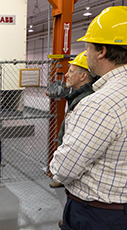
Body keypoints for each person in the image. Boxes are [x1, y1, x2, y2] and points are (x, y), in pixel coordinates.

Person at [50, 6, 127, 230]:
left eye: (88, 46)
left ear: (101, 51)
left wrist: (56, 165)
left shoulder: (100, 104)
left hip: (99, 215)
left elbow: (63, 168)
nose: (87, 51)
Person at [49, 51, 95, 189]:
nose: (66, 75)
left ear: (83, 76)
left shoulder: (86, 100)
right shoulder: (76, 96)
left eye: (71, 71)